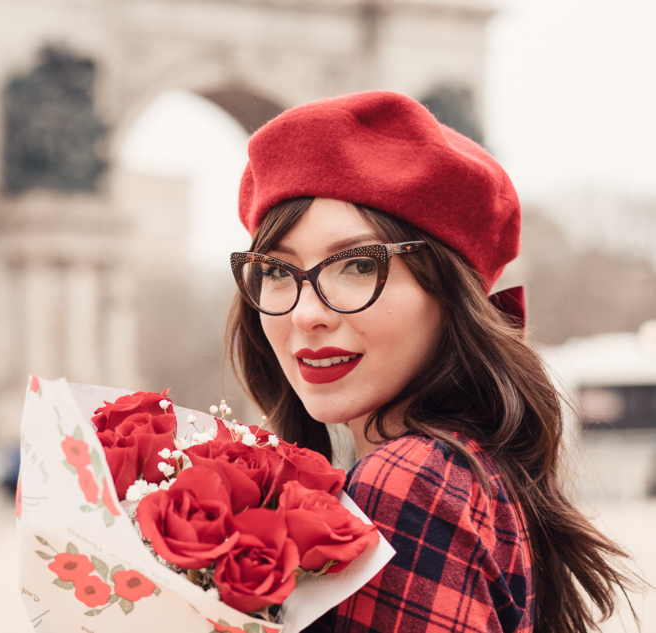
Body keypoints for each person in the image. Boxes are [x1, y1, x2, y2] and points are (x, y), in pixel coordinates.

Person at [226, 91, 638, 633]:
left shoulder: (410, 482)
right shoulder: (472, 471)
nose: (306, 314)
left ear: (449, 294)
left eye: (355, 265)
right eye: (277, 272)